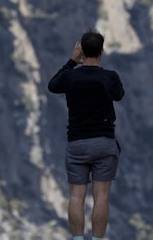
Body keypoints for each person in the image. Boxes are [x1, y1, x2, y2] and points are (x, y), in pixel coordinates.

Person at [48, 30, 124, 240]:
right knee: (101, 196)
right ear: (101, 51)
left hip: (77, 143)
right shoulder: (109, 77)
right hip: (103, 143)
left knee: (76, 196)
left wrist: (72, 62)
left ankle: (78, 238)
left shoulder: (71, 77)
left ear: (81, 50)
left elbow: (52, 85)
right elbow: (119, 95)